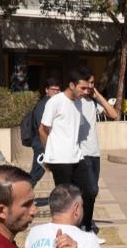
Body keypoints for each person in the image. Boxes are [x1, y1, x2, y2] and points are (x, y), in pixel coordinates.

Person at [39, 67, 98, 234]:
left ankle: (85, 228)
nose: (86, 91)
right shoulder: (55, 101)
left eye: (88, 88)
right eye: (83, 88)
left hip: (77, 156)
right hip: (59, 159)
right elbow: (42, 129)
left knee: (90, 191)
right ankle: (65, 231)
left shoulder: (79, 103)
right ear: (72, 85)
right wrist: (49, 154)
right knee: (65, 198)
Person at [79, 73, 119, 236]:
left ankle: (86, 225)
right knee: (89, 190)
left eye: (92, 83)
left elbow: (114, 114)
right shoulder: (74, 102)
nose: (90, 86)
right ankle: (81, 225)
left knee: (92, 194)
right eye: (87, 83)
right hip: (80, 154)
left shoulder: (93, 103)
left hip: (94, 154)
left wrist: (98, 96)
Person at [25, 77, 60, 187]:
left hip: (47, 143)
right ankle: (21, 194)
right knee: (36, 173)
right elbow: (43, 128)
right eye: (53, 89)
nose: (56, 92)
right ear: (46, 90)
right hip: (42, 144)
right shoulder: (43, 105)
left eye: (58, 90)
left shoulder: (52, 104)